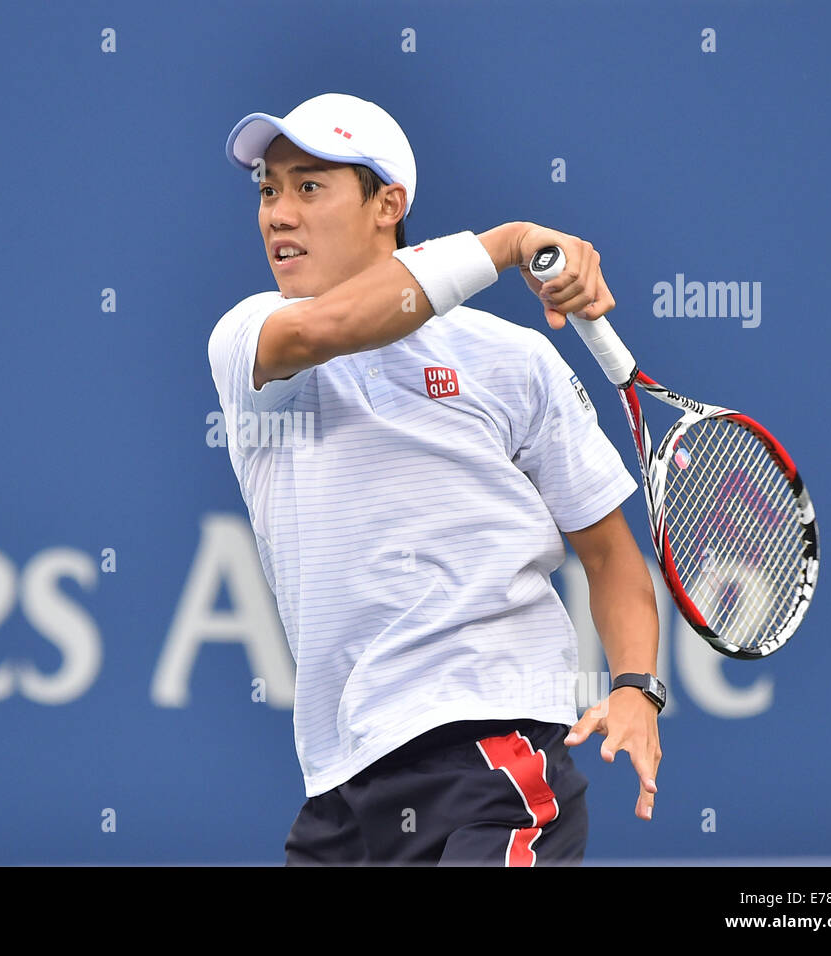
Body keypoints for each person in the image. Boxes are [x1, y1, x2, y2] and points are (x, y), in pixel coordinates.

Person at [209, 92, 663, 865]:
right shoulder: (250, 339)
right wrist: (512, 241)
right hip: (343, 791)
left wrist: (637, 688)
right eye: (268, 190)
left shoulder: (514, 361)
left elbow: (610, 556)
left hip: (493, 759)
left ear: (388, 204)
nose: (279, 213)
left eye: (308, 187)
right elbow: (335, 325)